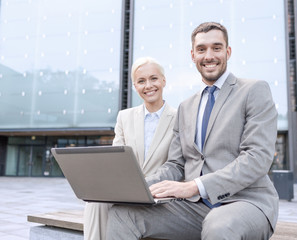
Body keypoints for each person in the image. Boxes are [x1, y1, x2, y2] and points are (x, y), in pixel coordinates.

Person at [106, 22, 279, 240]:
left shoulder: (254, 90)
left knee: (218, 226)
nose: (209, 55)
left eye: (216, 48)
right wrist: (135, 187)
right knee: (123, 214)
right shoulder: (186, 107)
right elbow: (176, 164)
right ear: (193, 55)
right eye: (201, 49)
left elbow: (257, 158)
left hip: (245, 201)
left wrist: (194, 186)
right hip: (194, 209)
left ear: (228, 51)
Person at [83, 57, 177, 240]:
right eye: (141, 81)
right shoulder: (124, 117)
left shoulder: (180, 117)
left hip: (160, 194)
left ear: (164, 81)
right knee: (95, 202)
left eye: (154, 78)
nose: (148, 85)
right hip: (126, 191)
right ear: (135, 86)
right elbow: (116, 162)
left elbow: (178, 164)